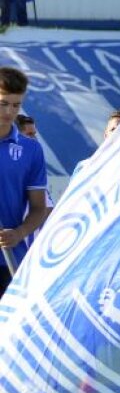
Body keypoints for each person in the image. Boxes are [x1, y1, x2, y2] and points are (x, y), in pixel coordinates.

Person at [0, 67, 50, 300]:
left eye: (16, 105)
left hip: (10, 260)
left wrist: (19, 233)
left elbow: (40, 208)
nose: (9, 111)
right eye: (3, 103)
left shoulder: (31, 149)